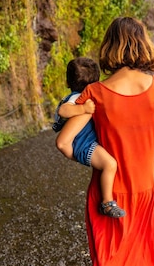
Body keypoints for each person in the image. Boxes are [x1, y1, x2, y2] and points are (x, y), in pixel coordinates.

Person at [63, 17, 154, 265]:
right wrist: (142, 135)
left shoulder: (95, 94)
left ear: (110, 46)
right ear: (143, 45)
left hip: (111, 197)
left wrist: (93, 154)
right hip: (149, 193)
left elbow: (64, 143)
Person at [53, 57, 126, 218]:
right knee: (110, 164)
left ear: (67, 81)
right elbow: (63, 111)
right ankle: (107, 203)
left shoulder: (83, 96)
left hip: (85, 142)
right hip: (83, 144)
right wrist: (83, 109)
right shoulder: (77, 98)